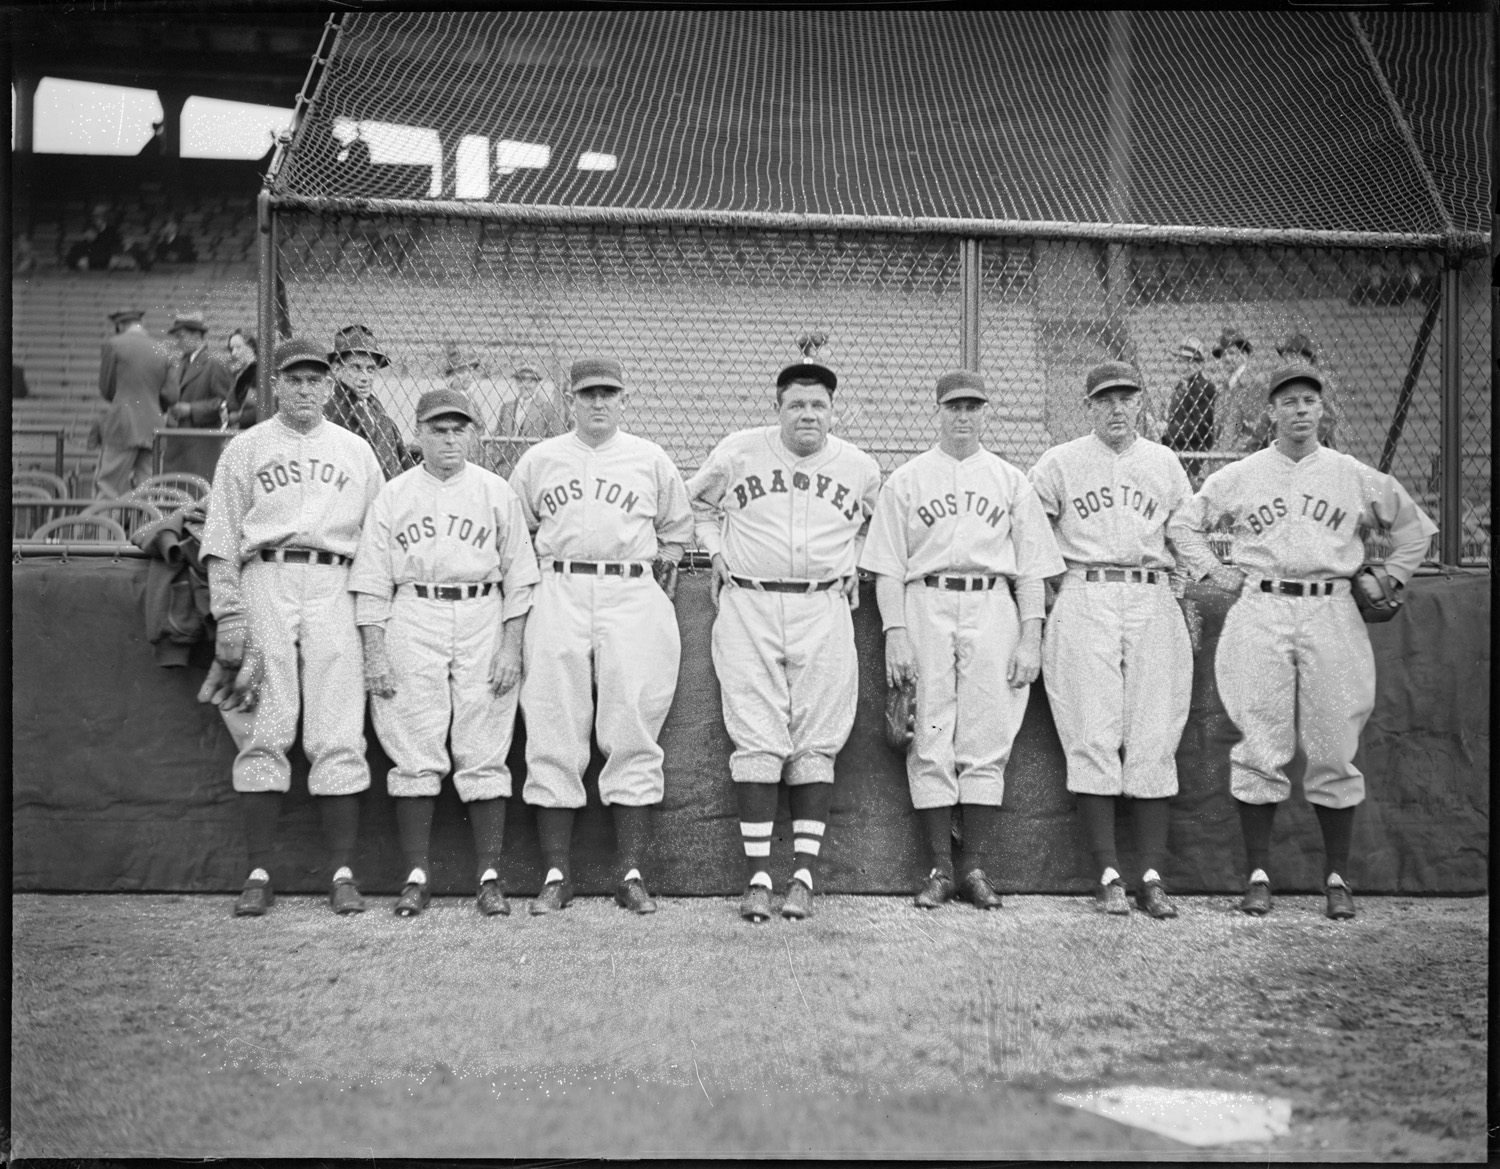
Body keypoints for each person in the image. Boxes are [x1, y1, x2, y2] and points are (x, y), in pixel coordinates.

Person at [1168, 363, 1438, 921]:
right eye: (1288, 401)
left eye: (1309, 401)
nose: (1299, 410)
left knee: (1334, 742)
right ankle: (1258, 875)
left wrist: (1393, 577)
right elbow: (1183, 525)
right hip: (1260, 606)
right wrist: (1214, 574)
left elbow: (1417, 529)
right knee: (1259, 741)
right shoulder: (1241, 474)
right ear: (1271, 411)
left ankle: (1337, 876)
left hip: (1331, 606)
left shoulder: (1351, 473)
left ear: (1321, 410)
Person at [686, 348, 881, 922]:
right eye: (795, 403)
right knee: (756, 734)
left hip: (823, 605)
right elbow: (697, 501)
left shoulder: (861, 466)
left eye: (818, 404)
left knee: (817, 738)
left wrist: (858, 561)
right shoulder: (739, 450)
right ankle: (756, 878)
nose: (807, 413)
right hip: (748, 600)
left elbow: (881, 525)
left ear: (833, 412)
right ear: (778, 409)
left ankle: (802, 878)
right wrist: (715, 552)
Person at [861, 370, 1064, 912]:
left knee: (987, 732)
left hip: (992, 602)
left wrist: (1031, 635)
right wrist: (895, 632)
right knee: (929, 730)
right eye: (954, 406)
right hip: (924, 600)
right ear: (939, 411)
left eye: (973, 406)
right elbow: (885, 569)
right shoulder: (906, 479)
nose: (964, 415)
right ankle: (937, 868)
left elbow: (1032, 571)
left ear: (986, 411)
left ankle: (973, 866)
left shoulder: (1010, 480)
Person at [198, 337, 385, 917]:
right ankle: (258, 872)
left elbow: (377, 544)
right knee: (264, 724)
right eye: (294, 379)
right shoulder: (245, 448)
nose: (305, 389)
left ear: (331, 386)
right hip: (266, 579)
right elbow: (222, 539)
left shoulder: (356, 450)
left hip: (336, 581)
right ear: (275, 384)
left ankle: (343, 873)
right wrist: (229, 612)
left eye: (315, 379)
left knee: (337, 726)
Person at [508, 357, 694, 916]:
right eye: (588, 393)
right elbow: (517, 532)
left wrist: (663, 566)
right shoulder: (540, 459)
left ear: (623, 399)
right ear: (570, 400)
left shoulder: (649, 458)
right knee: (552, 720)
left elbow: (678, 530)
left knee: (633, 722)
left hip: (630, 588)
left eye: (608, 393)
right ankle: (556, 873)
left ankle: (630, 872)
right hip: (559, 584)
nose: (598, 403)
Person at [351, 386, 541, 918]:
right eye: (438, 428)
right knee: (413, 741)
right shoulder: (393, 493)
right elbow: (370, 580)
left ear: (475, 435)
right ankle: (417, 874)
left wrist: (511, 647)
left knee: (484, 743)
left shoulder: (496, 490)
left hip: (483, 610)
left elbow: (520, 581)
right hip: (414, 611)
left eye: (460, 428)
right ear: (418, 433)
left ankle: (489, 876)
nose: (450, 438)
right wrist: (374, 650)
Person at [1028, 362, 1197, 919]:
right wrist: (1050, 591)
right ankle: (1107, 874)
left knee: (1154, 731)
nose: (1117, 408)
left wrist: (1207, 579)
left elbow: (1185, 534)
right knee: (1091, 731)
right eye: (1105, 399)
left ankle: (1151, 875)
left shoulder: (1164, 462)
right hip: (1085, 590)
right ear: (1089, 407)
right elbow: (1030, 536)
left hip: (1151, 594)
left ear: (1141, 403)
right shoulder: (1060, 461)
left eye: (1126, 397)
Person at [94, 308, 171, 498]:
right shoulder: (162, 349)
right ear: (141, 323)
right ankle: (147, 528)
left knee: (108, 486)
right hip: (154, 427)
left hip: (122, 423)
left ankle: (105, 528)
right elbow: (171, 395)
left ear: (120, 325)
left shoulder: (114, 344)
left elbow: (107, 388)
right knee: (148, 489)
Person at [324, 324, 416, 480]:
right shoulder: (329, 411)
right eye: (356, 368)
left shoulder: (376, 410)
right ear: (337, 369)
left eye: (370, 369)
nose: (365, 377)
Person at [1161, 336, 1216, 485]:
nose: (1183, 365)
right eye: (1180, 360)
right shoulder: (1182, 386)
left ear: (1198, 365)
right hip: (1177, 455)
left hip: (1192, 458)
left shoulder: (1205, 388)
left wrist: (1167, 430)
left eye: (1188, 361)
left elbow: (1199, 427)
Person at [165, 313, 232, 428]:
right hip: (180, 436)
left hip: (202, 439)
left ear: (196, 336)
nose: (177, 342)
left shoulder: (214, 363)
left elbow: (225, 403)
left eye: (180, 336)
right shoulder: (182, 363)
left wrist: (191, 409)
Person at [67, 206, 122, 271]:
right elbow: (80, 248)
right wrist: (81, 258)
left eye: (98, 217)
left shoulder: (112, 232)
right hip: (90, 261)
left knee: (115, 261)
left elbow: (116, 249)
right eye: (94, 217)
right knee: (80, 261)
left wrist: (115, 258)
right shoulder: (89, 230)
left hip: (106, 261)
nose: (95, 220)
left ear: (104, 218)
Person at [224, 332, 261, 429]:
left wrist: (238, 417)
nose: (233, 353)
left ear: (251, 347)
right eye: (231, 349)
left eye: (238, 347)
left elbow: (261, 408)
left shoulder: (259, 373)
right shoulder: (237, 374)